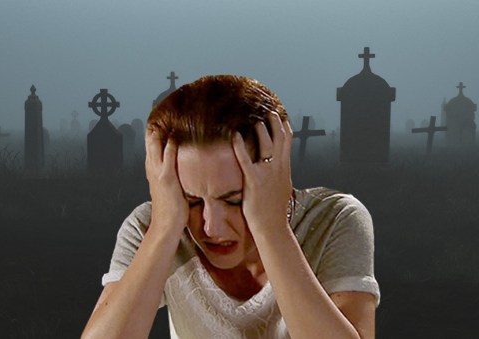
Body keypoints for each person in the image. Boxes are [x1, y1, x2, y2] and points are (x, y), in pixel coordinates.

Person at [82, 75, 380, 339]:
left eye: (234, 199)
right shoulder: (154, 224)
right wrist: (162, 230)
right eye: (192, 200)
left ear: (277, 176)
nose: (212, 227)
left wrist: (272, 229)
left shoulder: (336, 218)